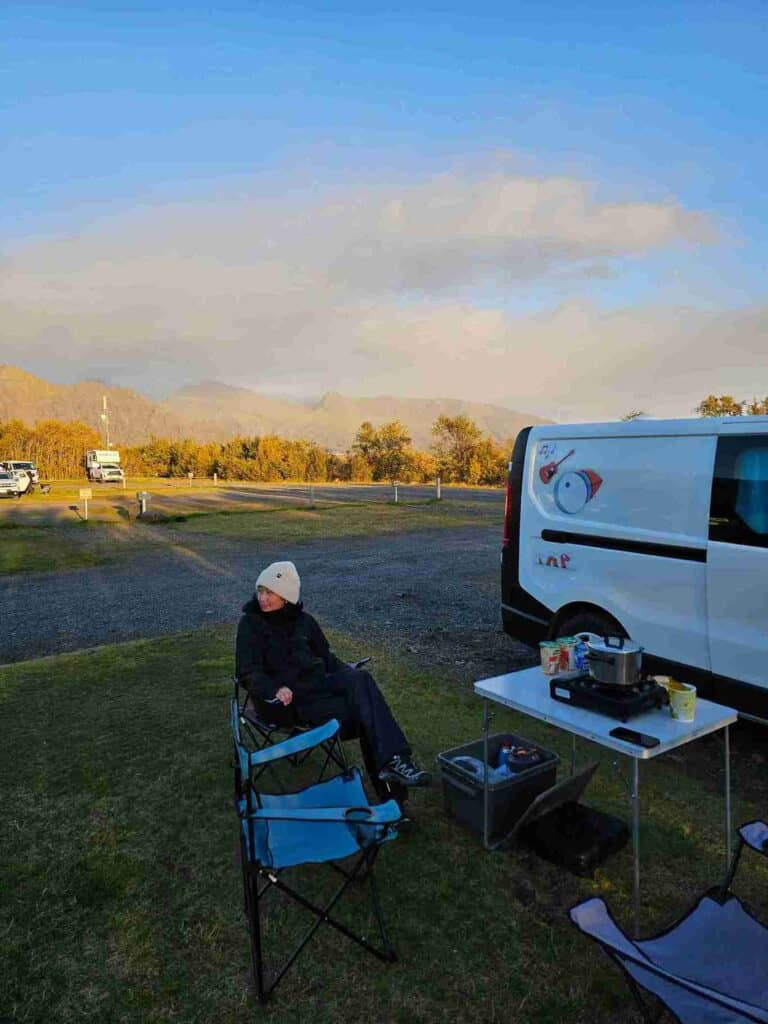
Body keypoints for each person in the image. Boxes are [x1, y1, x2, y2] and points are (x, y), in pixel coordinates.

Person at [235, 560, 430, 801]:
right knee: (366, 716)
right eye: (260, 591)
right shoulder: (251, 624)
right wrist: (274, 687)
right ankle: (394, 797)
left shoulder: (305, 621)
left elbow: (327, 659)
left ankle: (394, 762)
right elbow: (247, 671)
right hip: (283, 702)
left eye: (270, 592)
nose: (262, 598)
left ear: (286, 595)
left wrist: (347, 672)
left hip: (316, 687)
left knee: (361, 680)